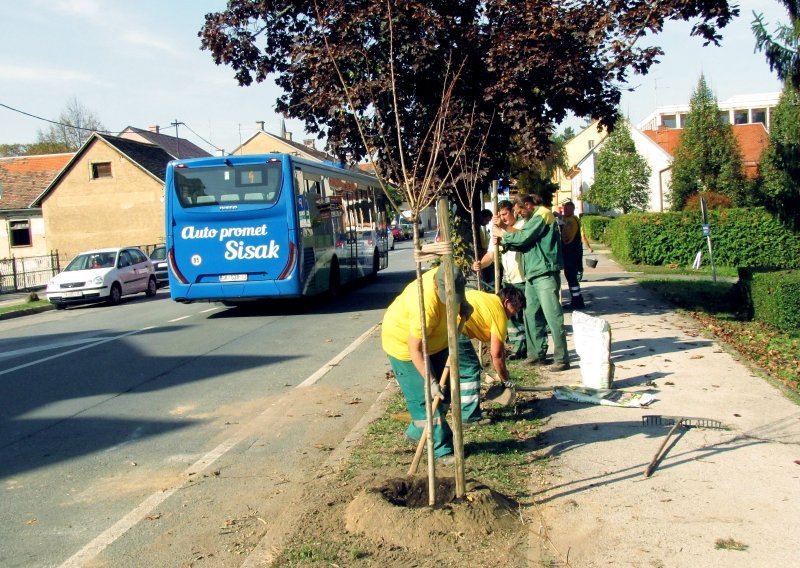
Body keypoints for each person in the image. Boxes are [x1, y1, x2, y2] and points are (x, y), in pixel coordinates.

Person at [381, 264, 473, 463]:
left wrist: (463, 303)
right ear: (437, 288)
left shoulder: (451, 275)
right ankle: (443, 450)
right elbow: (415, 349)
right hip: (404, 346)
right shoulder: (423, 304)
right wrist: (430, 382)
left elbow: (459, 291)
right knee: (428, 401)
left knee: (445, 392)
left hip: (436, 341)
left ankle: (416, 431)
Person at [493, 194, 570, 372]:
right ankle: (536, 354)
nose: (518, 214)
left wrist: (503, 235)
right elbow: (521, 239)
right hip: (532, 274)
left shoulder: (542, 214)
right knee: (531, 315)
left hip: (545, 272)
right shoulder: (531, 219)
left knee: (552, 316)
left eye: (519, 210)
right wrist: (504, 234)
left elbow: (523, 238)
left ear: (527, 205)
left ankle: (561, 358)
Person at [457, 286, 526, 423]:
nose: (515, 313)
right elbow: (497, 355)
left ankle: (449, 405)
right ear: (506, 302)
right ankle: (469, 416)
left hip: (441, 324)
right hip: (456, 329)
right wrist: (506, 380)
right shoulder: (500, 313)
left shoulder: (487, 298)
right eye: (516, 308)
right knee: (470, 369)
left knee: (450, 369)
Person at [472, 200, 527, 359]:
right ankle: (518, 348)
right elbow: (491, 254)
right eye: (500, 215)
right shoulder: (497, 231)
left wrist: (502, 231)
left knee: (527, 315)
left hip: (524, 278)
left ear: (513, 212)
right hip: (508, 279)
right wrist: (480, 264)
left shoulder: (521, 226)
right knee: (510, 316)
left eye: (505, 214)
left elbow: (519, 236)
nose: (502, 218)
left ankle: (531, 349)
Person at [560, 201, 586, 310]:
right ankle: (577, 299)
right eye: (564, 209)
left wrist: (561, 228)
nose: (565, 211)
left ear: (572, 210)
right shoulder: (572, 218)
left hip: (571, 253)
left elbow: (566, 238)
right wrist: (558, 216)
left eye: (567, 209)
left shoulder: (571, 222)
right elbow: (564, 218)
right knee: (571, 277)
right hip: (573, 253)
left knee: (571, 277)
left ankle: (577, 301)